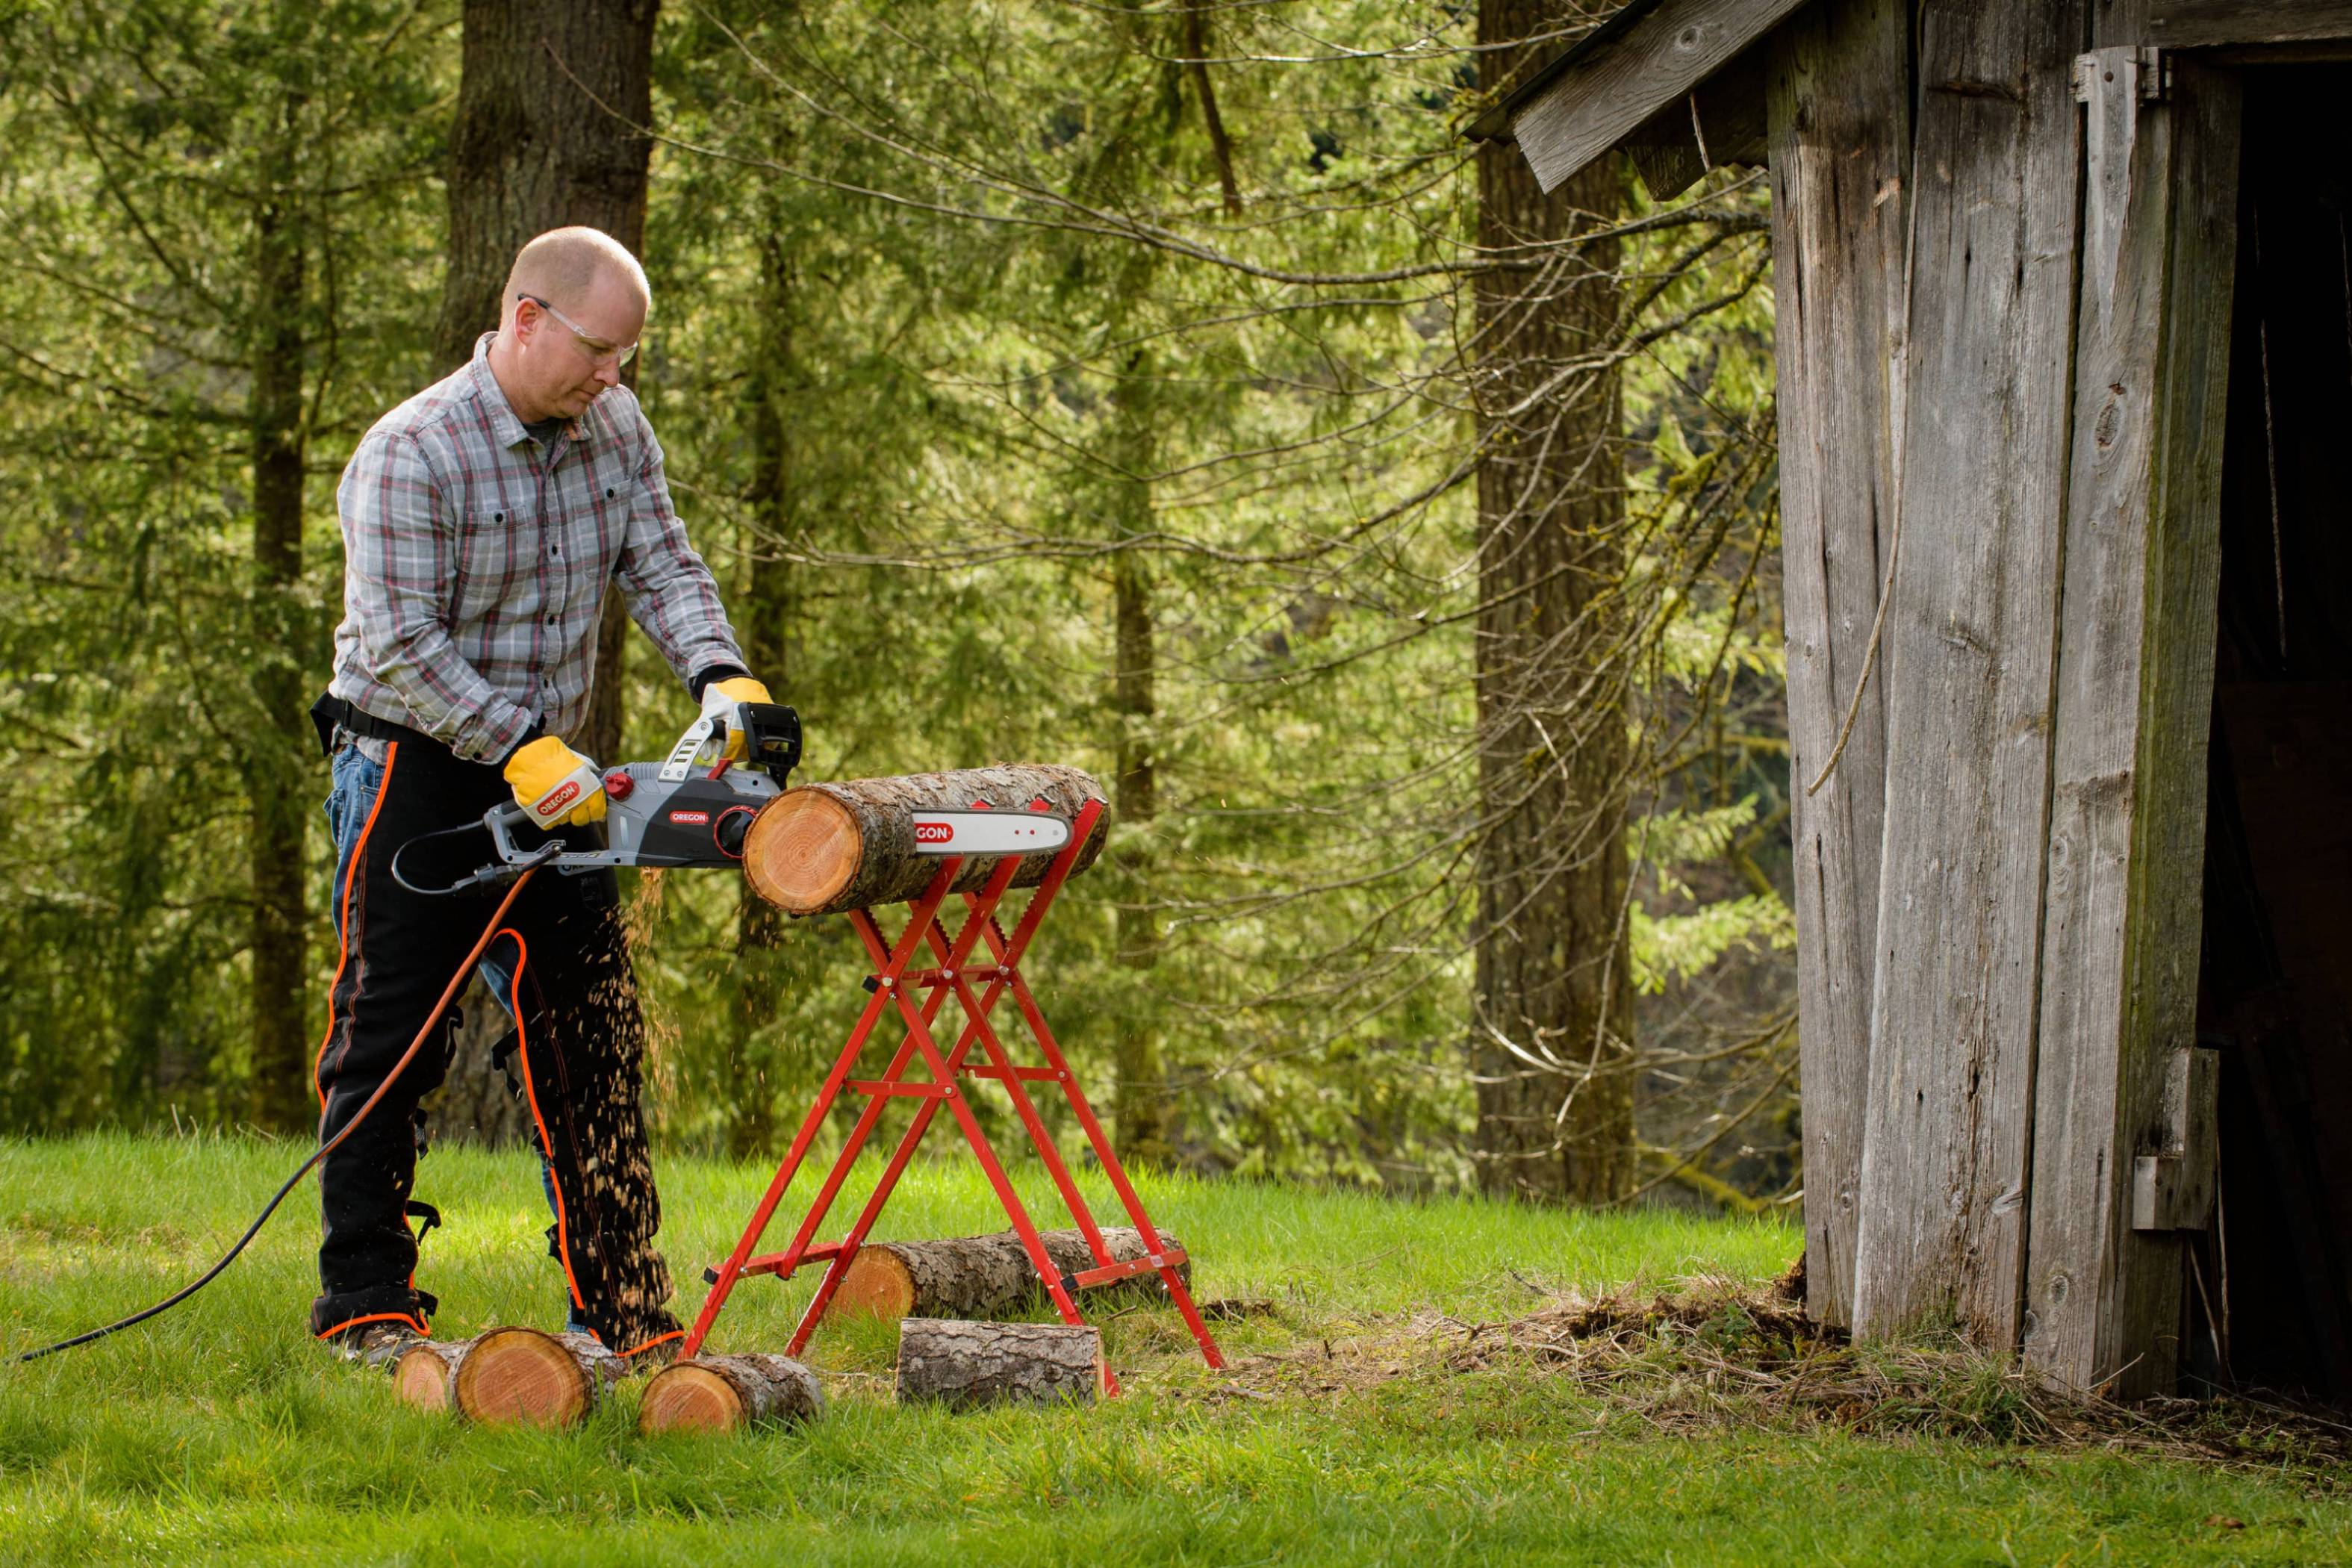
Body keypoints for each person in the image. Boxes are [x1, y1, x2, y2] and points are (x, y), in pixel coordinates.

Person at [306, 226, 768, 1362]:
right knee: (391, 1035)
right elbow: (401, 644)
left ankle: (619, 1309)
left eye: (626, 358)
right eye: (600, 351)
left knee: (589, 1033)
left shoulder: (610, 424)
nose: (614, 377)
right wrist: (516, 744)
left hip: (557, 776)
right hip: (411, 765)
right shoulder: (411, 451)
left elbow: (660, 561)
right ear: (526, 319)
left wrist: (720, 672)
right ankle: (365, 1309)